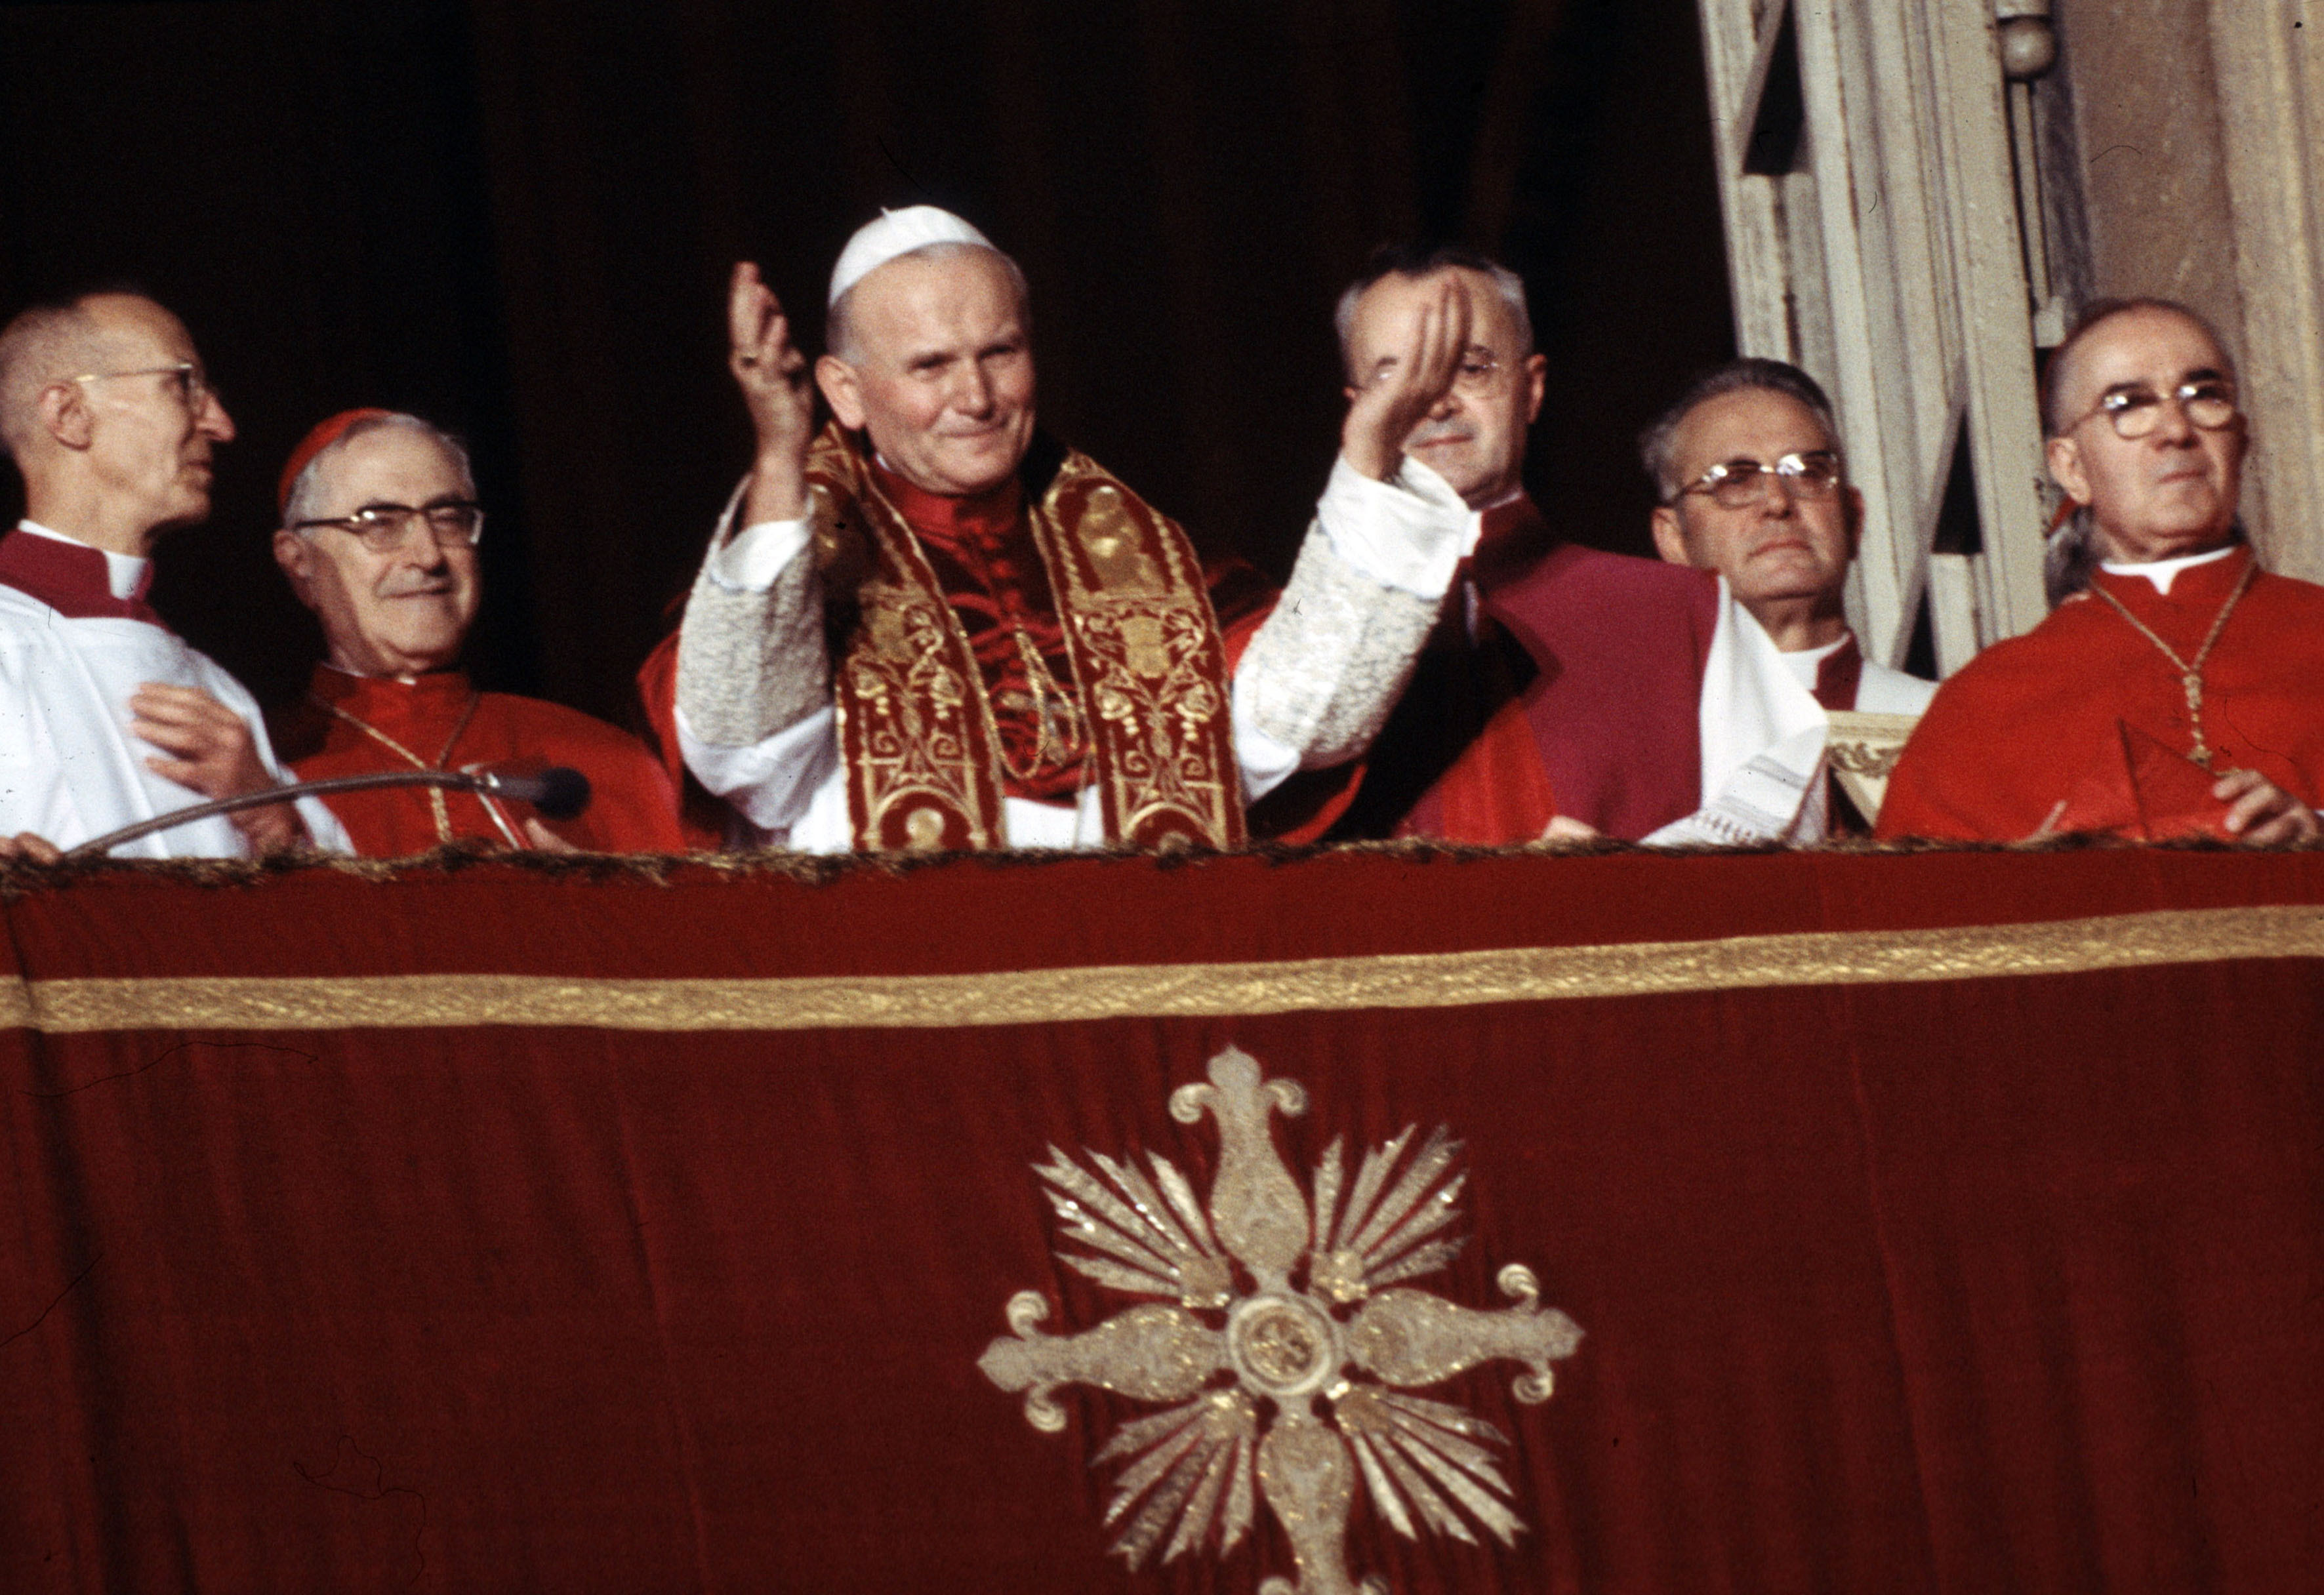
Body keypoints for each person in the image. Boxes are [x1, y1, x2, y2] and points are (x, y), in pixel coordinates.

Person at [643, 207, 1475, 851]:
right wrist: (782, 460)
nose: (977, 397)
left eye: (1000, 352)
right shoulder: (794, 569)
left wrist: (1369, 460)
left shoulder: (1148, 560)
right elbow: (744, 757)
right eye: (931, 365)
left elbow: (1305, 724)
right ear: (847, 392)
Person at [1321, 245, 1831, 845]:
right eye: (1395, 376)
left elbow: (1786, 816)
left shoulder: (1684, 611)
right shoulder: (1305, 628)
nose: (1436, 401)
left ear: (1531, 388)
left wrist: (1619, 884)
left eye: (1472, 369)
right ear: (1356, 414)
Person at [1877, 298, 2324, 843]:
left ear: (2241, 438)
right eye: (2128, 405)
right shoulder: (1986, 703)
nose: (2175, 430)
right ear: (2071, 468)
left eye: (2204, 396)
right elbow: (1914, 912)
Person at [0, 289, 346, 860]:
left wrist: (275, 818)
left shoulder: (215, 690)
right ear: (69, 415)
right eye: (184, 385)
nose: (221, 424)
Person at [267, 409, 687, 855]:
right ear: (299, 562)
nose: (428, 555)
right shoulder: (266, 775)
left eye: (448, 518)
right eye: (380, 522)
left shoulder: (605, 761)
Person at [1644, 359, 1935, 716]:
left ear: (1854, 517)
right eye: (1736, 480)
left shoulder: (1947, 719)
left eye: (1808, 474)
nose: (1778, 502)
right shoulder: (1638, 735)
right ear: (1674, 539)